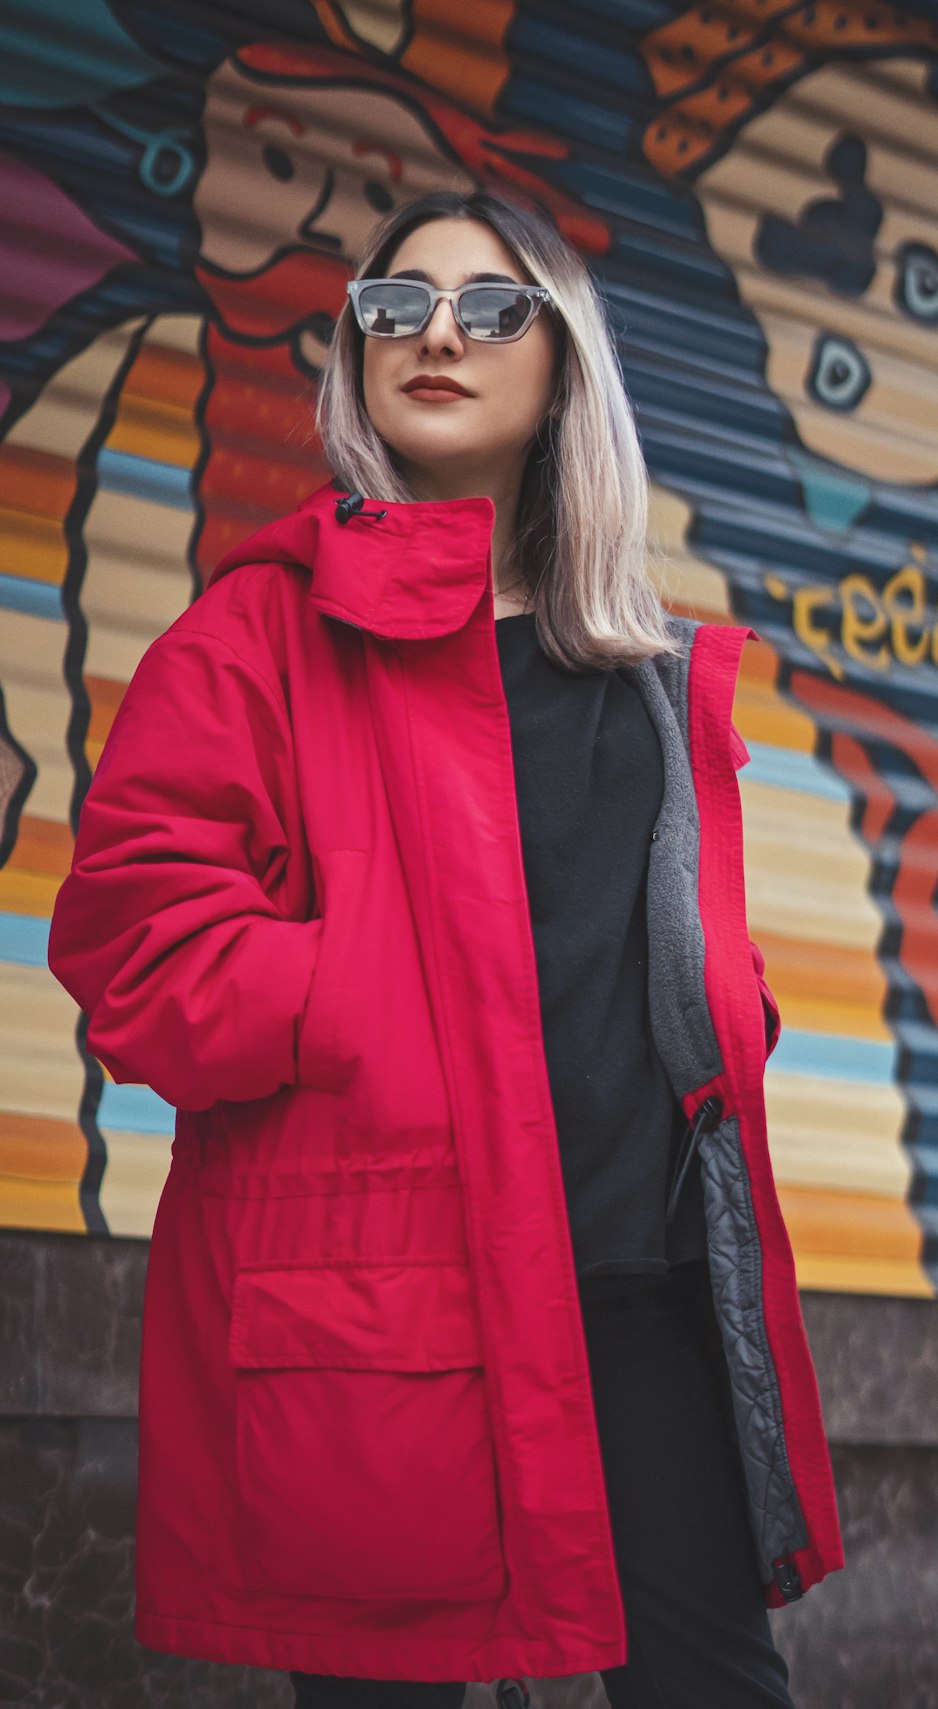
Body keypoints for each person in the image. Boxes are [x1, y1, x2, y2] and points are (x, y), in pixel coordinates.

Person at [47, 189, 843, 1707]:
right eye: (395, 306)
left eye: (492, 309)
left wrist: (725, 1011)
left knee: (715, 1685)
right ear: (352, 354)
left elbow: (646, 950)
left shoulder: (649, 676)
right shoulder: (256, 637)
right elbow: (136, 944)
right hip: (385, 1305)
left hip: (644, 1294)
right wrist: (375, 1003)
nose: (436, 336)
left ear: (563, 366)